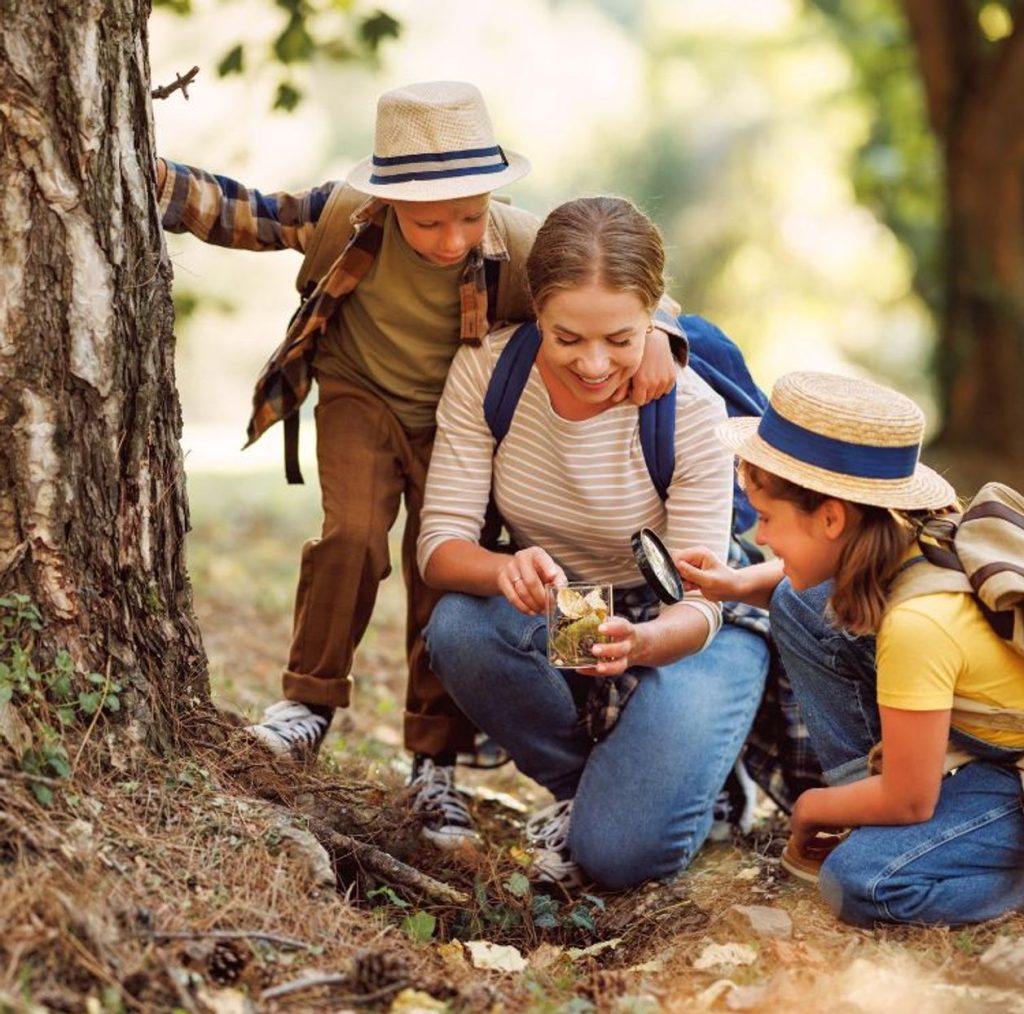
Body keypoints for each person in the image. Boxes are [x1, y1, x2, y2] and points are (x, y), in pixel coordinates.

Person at [156, 81, 679, 848]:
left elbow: (617, 286)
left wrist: (663, 333)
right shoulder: (344, 216)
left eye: (471, 215)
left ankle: (434, 763)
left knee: (445, 574)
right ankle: (308, 704)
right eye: (430, 221)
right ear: (388, 197)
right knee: (353, 539)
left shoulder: (520, 242)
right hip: (359, 398)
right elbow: (247, 215)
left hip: (459, 425)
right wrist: (147, 174)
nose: (452, 239)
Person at [418, 196, 770, 889]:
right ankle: (596, 790)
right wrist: (503, 570)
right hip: (573, 612)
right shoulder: (490, 374)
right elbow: (439, 546)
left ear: (655, 317)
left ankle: (687, 780)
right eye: (567, 338)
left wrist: (642, 643)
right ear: (536, 311)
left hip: (691, 623)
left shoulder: (689, 406)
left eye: (621, 338)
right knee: (460, 626)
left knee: (617, 862)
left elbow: (702, 604)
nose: (594, 364)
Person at [676, 371, 1024, 926]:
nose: (758, 537)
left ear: (833, 517)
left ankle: (999, 875)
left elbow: (912, 800)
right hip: (974, 734)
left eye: (766, 519)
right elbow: (802, 583)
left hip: (1008, 770)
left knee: (861, 883)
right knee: (796, 599)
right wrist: (738, 583)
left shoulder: (919, 624)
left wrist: (815, 807)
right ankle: (867, 806)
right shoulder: (908, 535)